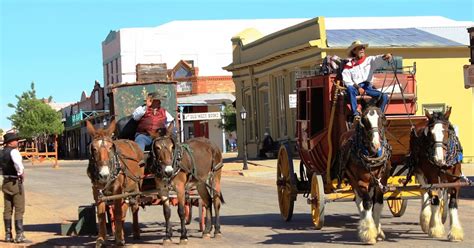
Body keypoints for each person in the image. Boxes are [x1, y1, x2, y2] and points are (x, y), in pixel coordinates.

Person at [342, 40, 392, 120]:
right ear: (354, 51)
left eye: (363, 48)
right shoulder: (349, 65)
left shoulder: (369, 60)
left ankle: (379, 115)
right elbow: (347, 81)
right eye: (359, 48)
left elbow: (377, 59)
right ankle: (355, 114)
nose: (362, 50)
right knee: (349, 89)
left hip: (368, 87)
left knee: (384, 96)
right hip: (356, 88)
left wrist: (385, 56)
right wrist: (359, 88)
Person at [1, 133, 27, 243]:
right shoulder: (14, 152)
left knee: (7, 209)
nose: (17, 142)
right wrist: (21, 173)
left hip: (5, 181)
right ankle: (19, 235)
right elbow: (18, 165)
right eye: (15, 140)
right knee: (19, 209)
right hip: (15, 182)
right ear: (10, 142)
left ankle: (8, 235)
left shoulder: (1, 153)